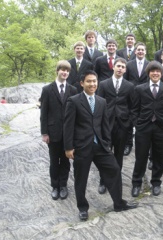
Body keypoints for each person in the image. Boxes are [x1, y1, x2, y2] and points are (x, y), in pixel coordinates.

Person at [64, 70, 137, 221]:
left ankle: (118, 203)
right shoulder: (74, 101)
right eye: (89, 81)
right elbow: (68, 126)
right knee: (81, 178)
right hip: (81, 147)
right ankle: (83, 208)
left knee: (115, 169)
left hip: (100, 146)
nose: (92, 84)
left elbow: (105, 125)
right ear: (82, 83)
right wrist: (68, 147)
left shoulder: (102, 101)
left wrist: (106, 143)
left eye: (94, 81)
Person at [131, 61, 163, 197]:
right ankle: (136, 183)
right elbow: (134, 110)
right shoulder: (139, 88)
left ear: (161, 73)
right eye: (152, 71)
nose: (155, 73)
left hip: (161, 128)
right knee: (141, 157)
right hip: (143, 128)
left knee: (158, 157)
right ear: (148, 73)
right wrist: (137, 124)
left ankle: (156, 182)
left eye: (158, 71)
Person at [40, 60, 78, 201]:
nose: (65, 72)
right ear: (57, 71)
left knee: (66, 161)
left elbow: (75, 113)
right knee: (54, 161)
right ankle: (55, 186)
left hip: (68, 133)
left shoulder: (72, 90)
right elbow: (44, 113)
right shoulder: (47, 89)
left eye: (67, 71)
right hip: (53, 132)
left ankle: (63, 185)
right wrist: (44, 133)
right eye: (62, 70)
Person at [97, 58, 135, 194]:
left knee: (118, 155)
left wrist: (129, 121)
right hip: (106, 125)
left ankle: (115, 180)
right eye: (118, 66)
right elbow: (98, 103)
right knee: (105, 154)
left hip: (122, 125)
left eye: (123, 67)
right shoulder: (103, 84)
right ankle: (103, 180)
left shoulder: (129, 86)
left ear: (125, 70)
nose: (120, 69)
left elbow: (132, 106)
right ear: (113, 67)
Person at [123, 42, 150, 156]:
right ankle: (128, 144)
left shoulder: (149, 65)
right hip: (131, 95)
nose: (140, 51)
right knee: (129, 120)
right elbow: (125, 80)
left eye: (142, 50)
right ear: (135, 51)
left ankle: (145, 145)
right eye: (138, 50)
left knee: (144, 119)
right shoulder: (129, 64)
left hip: (144, 96)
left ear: (145, 52)